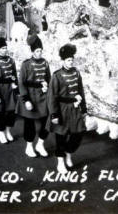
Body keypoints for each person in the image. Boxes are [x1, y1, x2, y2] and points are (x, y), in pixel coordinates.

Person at [47, 43, 87, 174]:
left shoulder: (76, 72)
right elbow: (52, 96)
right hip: (62, 109)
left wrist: (84, 108)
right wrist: (54, 114)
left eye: (72, 60)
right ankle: (60, 162)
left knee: (78, 134)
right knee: (61, 137)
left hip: (75, 109)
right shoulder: (57, 75)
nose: (71, 62)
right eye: (68, 60)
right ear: (62, 61)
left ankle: (68, 153)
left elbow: (81, 91)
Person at [16, 34, 51, 157]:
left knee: (48, 121)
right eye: (37, 51)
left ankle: (40, 144)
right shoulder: (26, 64)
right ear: (32, 52)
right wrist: (25, 99)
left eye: (41, 51)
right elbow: (21, 83)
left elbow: (49, 79)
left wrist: (47, 86)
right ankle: (29, 146)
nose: (39, 53)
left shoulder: (45, 63)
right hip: (30, 97)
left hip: (43, 97)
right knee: (29, 124)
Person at [0, 37, 18, 144]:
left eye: (5, 48)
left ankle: (8, 131)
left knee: (11, 112)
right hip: (0, 90)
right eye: (2, 48)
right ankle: (1, 133)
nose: (4, 50)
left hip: (10, 90)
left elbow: (14, 75)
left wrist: (16, 86)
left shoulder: (11, 61)